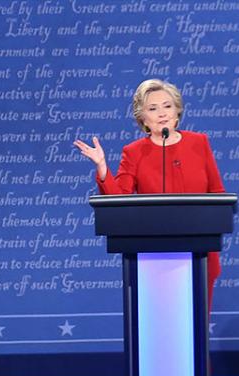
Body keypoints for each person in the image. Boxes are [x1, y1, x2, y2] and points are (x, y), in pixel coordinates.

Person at [73, 78, 225, 311]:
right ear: (142, 118)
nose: (162, 113)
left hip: (200, 251)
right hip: (153, 256)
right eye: (152, 109)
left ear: (177, 111)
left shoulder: (199, 142)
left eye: (167, 106)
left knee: (196, 324)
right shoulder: (133, 152)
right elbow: (119, 200)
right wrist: (102, 167)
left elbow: (217, 193)